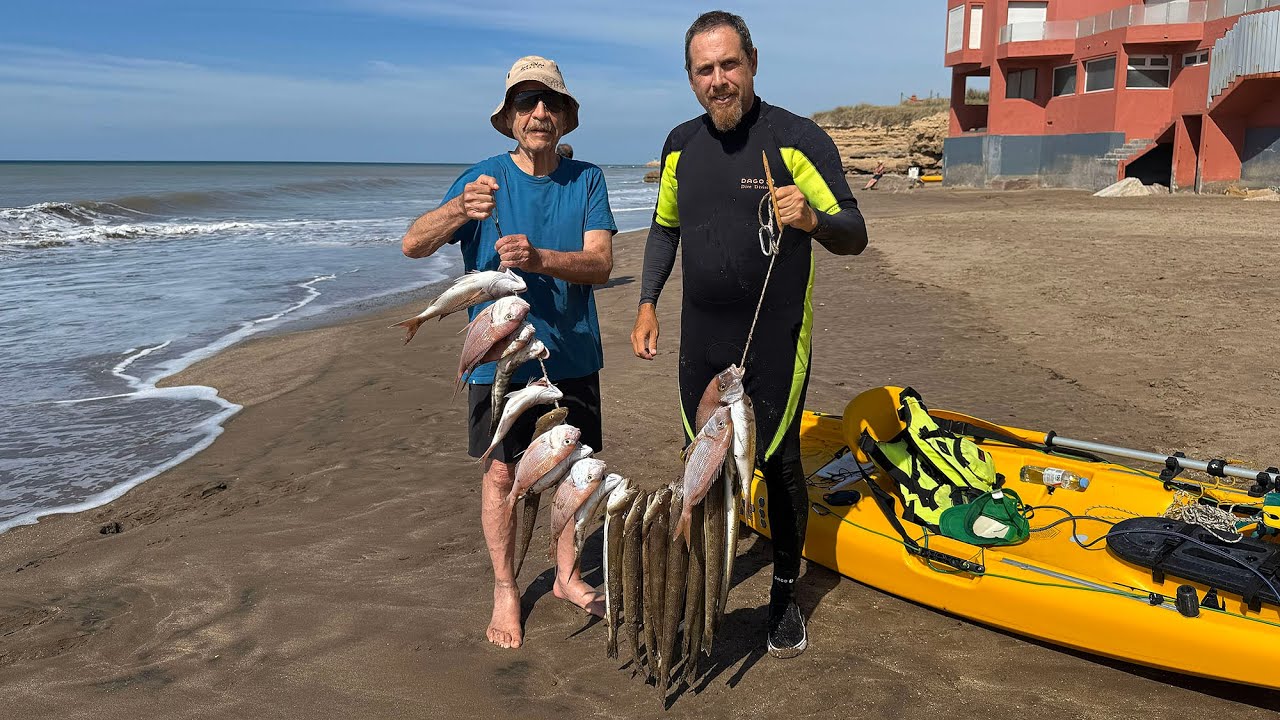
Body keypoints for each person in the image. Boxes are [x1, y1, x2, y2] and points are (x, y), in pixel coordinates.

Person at [630, 11, 867, 659]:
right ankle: (705, 587)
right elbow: (664, 228)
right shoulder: (680, 143)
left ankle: (785, 595)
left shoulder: (797, 141)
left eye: (729, 65)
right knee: (700, 465)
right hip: (700, 341)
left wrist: (813, 218)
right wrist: (648, 301)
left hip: (775, 341)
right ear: (690, 78)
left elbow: (855, 233)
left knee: (779, 462)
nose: (719, 80)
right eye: (704, 70)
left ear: (753, 63)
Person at [401, 55, 617, 650]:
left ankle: (567, 576)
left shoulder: (588, 180)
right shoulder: (482, 180)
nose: (539, 113)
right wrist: (455, 211)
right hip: (499, 360)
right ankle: (504, 587)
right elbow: (412, 245)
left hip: (572, 355)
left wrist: (540, 259)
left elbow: (601, 263)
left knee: (571, 469)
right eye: (526, 103)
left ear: (565, 117)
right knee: (500, 473)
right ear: (510, 117)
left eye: (549, 103)